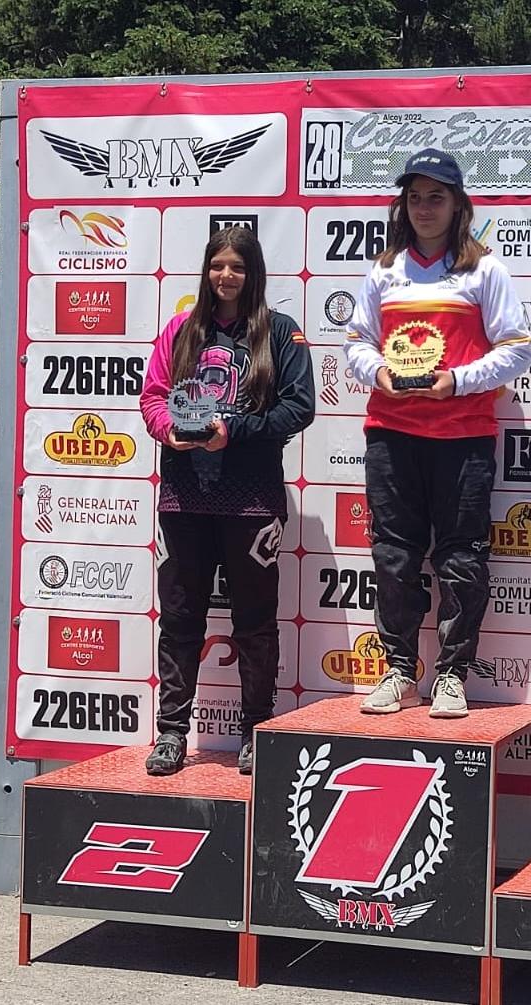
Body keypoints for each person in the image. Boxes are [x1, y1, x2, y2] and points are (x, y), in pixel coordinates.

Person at [344, 148, 531, 718]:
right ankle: (401, 671)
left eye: (436, 197)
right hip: (392, 432)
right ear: (403, 205)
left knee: (462, 559)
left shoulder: (485, 270)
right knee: (393, 557)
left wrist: (457, 382)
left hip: (463, 435)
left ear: (458, 205)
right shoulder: (384, 271)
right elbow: (356, 344)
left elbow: (517, 350)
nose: (424, 208)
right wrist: (379, 373)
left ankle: (451, 675)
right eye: (415, 197)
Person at [139, 226, 314, 775]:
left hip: (253, 502)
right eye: (218, 265)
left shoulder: (280, 332)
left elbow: (300, 408)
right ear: (206, 271)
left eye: (237, 266)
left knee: (255, 622)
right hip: (184, 500)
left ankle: (256, 731)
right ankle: (172, 733)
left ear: (253, 272)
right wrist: (170, 431)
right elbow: (153, 396)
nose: (226, 275)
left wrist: (233, 430)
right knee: (180, 619)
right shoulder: (181, 329)